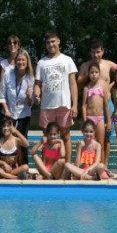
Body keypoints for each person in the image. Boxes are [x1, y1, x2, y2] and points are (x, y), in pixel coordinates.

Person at [34, 30, 78, 160]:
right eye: (48, 43)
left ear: (58, 41)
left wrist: (75, 105)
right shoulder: (41, 63)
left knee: (66, 136)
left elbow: (73, 84)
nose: (51, 45)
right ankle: (47, 166)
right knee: (47, 138)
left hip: (63, 103)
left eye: (53, 41)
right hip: (47, 105)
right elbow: (38, 84)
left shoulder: (67, 60)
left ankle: (67, 166)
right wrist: (37, 94)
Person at [77, 38, 117, 167]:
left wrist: (112, 85)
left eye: (98, 52)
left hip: (106, 104)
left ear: (103, 52)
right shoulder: (85, 66)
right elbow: (77, 84)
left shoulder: (108, 64)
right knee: (90, 138)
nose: (96, 55)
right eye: (94, 52)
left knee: (106, 137)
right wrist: (87, 75)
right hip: (91, 107)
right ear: (90, 53)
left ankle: (104, 165)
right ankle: (89, 165)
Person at [81, 62, 111, 171]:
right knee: (90, 145)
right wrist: (85, 122)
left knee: (101, 144)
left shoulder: (102, 87)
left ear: (99, 73)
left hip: (100, 119)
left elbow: (107, 106)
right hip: (90, 119)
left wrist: (109, 122)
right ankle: (88, 166)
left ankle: (101, 168)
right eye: (92, 72)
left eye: (96, 72)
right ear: (88, 74)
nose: (94, 74)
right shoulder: (86, 89)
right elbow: (84, 105)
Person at [0, 49, 34, 138]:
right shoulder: (8, 74)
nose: (20, 62)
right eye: (18, 59)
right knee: (8, 141)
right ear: (15, 61)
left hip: (24, 115)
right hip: (9, 114)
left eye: (23, 60)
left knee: (22, 141)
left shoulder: (30, 78)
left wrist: (28, 96)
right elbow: (2, 95)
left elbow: (30, 104)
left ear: (27, 62)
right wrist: (7, 110)